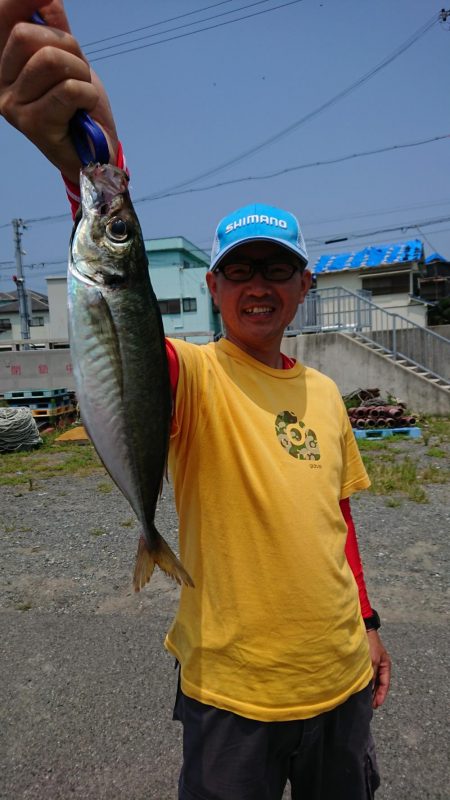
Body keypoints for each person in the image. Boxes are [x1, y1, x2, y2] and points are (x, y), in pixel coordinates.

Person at [0, 4, 391, 798]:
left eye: (275, 271)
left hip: (342, 679)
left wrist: (372, 627)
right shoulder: (195, 375)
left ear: (303, 287)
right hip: (230, 696)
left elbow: (337, 520)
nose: (258, 287)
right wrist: (96, 178)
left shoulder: (324, 391)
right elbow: (127, 327)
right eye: (239, 272)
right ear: (212, 288)